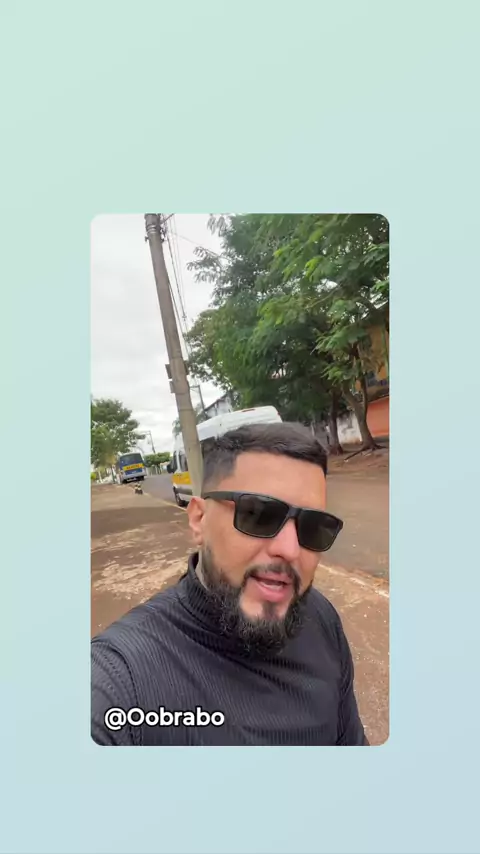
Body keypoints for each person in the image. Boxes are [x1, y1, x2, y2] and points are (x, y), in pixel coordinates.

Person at [91, 422, 368, 746]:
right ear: (199, 520)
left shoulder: (321, 619)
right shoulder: (122, 679)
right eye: (258, 514)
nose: (290, 550)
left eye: (313, 527)